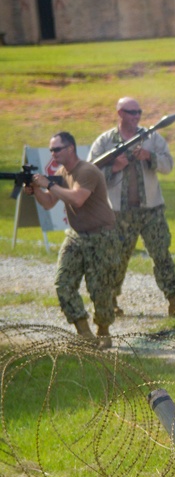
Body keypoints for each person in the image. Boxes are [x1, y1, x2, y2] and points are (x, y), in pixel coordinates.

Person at [88, 97, 175, 318]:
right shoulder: (105, 141)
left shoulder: (152, 137)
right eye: (131, 112)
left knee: (161, 254)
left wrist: (149, 156)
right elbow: (89, 174)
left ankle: (174, 302)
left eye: (139, 112)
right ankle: (111, 302)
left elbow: (168, 165)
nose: (136, 116)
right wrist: (114, 167)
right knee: (116, 258)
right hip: (118, 213)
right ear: (120, 113)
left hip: (151, 210)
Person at [25, 132, 119, 349]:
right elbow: (49, 203)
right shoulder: (60, 173)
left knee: (99, 288)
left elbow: (77, 199)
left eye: (56, 149)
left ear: (70, 149)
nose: (53, 153)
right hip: (77, 235)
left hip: (101, 235)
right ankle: (84, 333)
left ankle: (103, 330)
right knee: (63, 283)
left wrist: (48, 184)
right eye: (51, 150)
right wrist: (36, 190)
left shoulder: (87, 171)